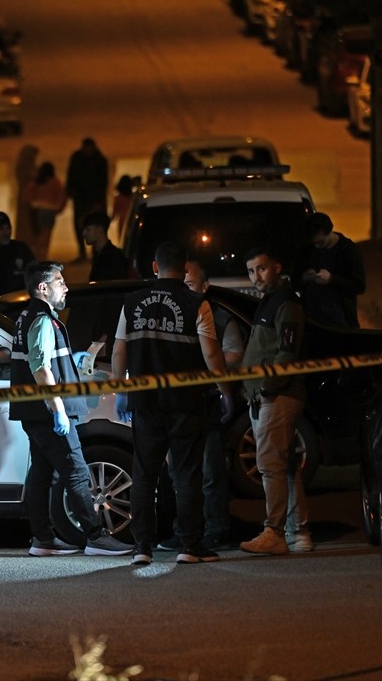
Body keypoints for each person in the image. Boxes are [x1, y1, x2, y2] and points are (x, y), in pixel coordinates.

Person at [110, 241, 236, 565]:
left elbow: (119, 350)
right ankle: (189, 547)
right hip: (186, 403)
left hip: (145, 404)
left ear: (154, 267)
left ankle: (142, 548)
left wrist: (122, 389)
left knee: (144, 476)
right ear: (184, 271)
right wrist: (225, 391)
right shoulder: (197, 304)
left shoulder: (131, 303)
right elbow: (211, 353)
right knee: (186, 476)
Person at [10, 260, 133, 558]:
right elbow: (40, 367)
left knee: (41, 472)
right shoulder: (40, 319)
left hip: (34, 411)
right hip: (47, 411)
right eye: (59, 282)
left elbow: (45, 360)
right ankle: (96, 536)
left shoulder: (29, 316)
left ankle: (42, 540)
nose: (65, 287)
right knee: (76, 470)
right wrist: (59, 411)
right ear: (43, 288)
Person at [156, 260, 245, 552]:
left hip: (206, 403)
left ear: (205, 287)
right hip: (174, 405)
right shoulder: (167, 316)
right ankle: (186, 532)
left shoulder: (218, 318)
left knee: (210, 472)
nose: (185, 291)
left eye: (191, 285)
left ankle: (217, 529)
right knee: (178, 474)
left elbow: (234, 354)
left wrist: (208, 368)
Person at [239, 246, 312, 555]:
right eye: (251, 271)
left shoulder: (287, 304)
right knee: (285, 466)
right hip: (264, 395)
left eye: (262, 269)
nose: (256, 276)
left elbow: (286, 351)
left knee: (270, 466)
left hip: (278, 396)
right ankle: (299, 533)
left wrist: (268, 387)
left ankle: (275, 533)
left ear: (277, 267)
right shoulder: (269, 302)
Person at [299, 212, 366, 328]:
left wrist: (331, 279)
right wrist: (304, 278)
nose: (317, 246)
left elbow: (359, 286)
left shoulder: (347, 250)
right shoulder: (308, 249)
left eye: (320, 242)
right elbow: (295, 281)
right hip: (311, 320)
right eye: (314, 243)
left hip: (339, 323)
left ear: (330, 231)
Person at [65, 137, 109, 262]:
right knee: (79, 226)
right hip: (80, 199)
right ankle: (82, 252)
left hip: (95, 200)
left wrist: (100, 201)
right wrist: (71, 192)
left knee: (96, 226)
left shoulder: (100, 160)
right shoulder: (77, 159)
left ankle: (96, 253)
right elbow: (71, 176)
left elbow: (103, 182)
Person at [24, 161, 66, 261]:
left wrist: (32, 204)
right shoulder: (55, 182)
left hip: (35, 211)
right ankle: (43, 255)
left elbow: (27, 195)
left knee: (38, 235)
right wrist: (58, 208)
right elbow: (62, 196)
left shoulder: (36, 182)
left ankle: (37, 253)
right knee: (46, 234)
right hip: (49, 211)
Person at [81, 211, 128, 282]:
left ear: (100, 230)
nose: (84, 233)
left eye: (88, 230)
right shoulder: (101, 254)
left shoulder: (113, 257)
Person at [13, 143, 41, 244]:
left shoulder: (29, 164)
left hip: (29, 195)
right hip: (26, 195)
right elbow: (24, 179)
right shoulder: (24, 165)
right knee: (25, 219)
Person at [111, 174, 135, 243]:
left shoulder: (118, 198)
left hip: (122, 221)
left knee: (122, 240)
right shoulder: (133, 197)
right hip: (131, 220)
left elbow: (114, 213)